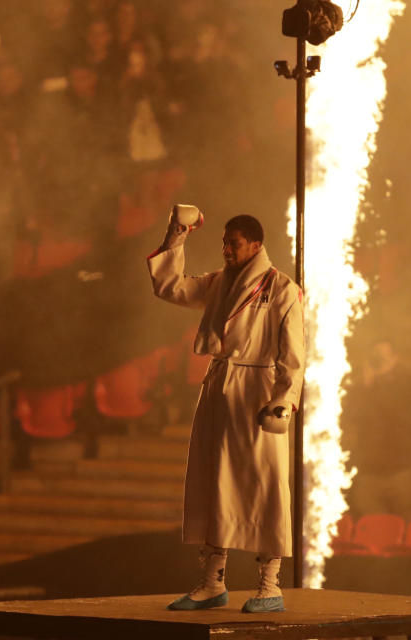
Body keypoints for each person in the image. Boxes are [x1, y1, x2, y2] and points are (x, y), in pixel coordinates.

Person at [148, 210, 303, 613]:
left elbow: (293, 356)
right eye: (224, 242)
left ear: (255, 244)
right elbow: (171, 287)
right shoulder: (219, 282)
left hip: (259, 392)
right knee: (213, 480)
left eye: (233, 243)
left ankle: (269, 584)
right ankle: (213, 582)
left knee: (265, 483)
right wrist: (176, 236)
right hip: (220, 384)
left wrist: (283, 401)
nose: (227, 249)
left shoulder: (282, 288)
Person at [346, 339, 411, 520]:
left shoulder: (407, 382)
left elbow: (398, 412)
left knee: (406, 529)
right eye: (375, 356)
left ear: (395, 358)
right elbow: (352, 414)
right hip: (370, 472)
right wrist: (366, 386)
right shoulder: (365, 386)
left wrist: (380, 382)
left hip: (402, 470)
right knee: (373, 530)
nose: (378, 360)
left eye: (383, 356)